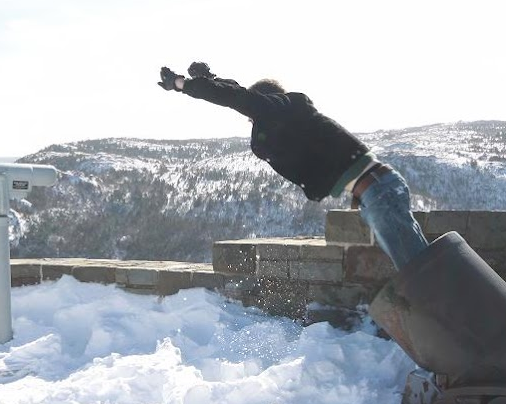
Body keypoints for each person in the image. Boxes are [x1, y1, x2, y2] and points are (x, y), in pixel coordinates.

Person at [158, 61, 429, 272]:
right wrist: (210, 81)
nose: (251, 121)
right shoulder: (289, 113)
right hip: (376, 193)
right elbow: (239, 96)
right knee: (425, 271)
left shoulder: (282, 108)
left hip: (378, 193)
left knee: (423, 279)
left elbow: (238, 98)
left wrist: (183, 85)